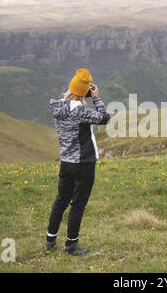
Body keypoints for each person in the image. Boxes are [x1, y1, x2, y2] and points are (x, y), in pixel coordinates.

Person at [46, 68, 110, 255]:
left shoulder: (58, 107)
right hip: (84, 163)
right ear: (85, 91)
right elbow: (105, 118)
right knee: (78, 205)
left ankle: (50, 241)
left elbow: (72, 103)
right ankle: (71, 245)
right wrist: (96, 97)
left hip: (66, 161)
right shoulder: (81, 112)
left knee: (61, 201)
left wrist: (83, 94)